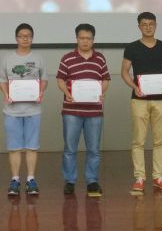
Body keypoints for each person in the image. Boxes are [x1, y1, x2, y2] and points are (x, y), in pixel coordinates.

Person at [121, 12, 162, 193]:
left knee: (160, 140)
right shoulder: (132, 47)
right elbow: (124, 71)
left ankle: (158, 177)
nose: (148, 27)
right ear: (139, 26)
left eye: (151, 24)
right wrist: (134, 86)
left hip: (160, 100)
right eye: (144, 24)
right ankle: (139, 178)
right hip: (139, 100)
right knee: (138, 141)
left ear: (156, 25)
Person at [56, 23, 110, 197]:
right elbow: (60, 79)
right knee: (70, 148)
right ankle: (69, 181)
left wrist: (101, 92)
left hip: (94, 112)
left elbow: (106, 79)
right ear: (77, 39)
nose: (85, 41)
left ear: (93, 40)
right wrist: (66, 93)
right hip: (71, 111)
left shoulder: (100, 58)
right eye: (82, 38)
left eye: (89, 38)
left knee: (93, 149)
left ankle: (92, 180)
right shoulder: (67, 58)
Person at [0, 23, 47, 196]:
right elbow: (2, 80)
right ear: (16, 38)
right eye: (21, 36)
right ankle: (15, 180)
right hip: (12, 111)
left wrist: (40, 92)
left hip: (33, 110)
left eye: (28, 36)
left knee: (32, 147)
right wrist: (6, 94)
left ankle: (31, 180)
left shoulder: (39, 58)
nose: (25, 38)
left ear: (32, 38)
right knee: (14, 147)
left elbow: (44, 79)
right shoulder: (7, 58)